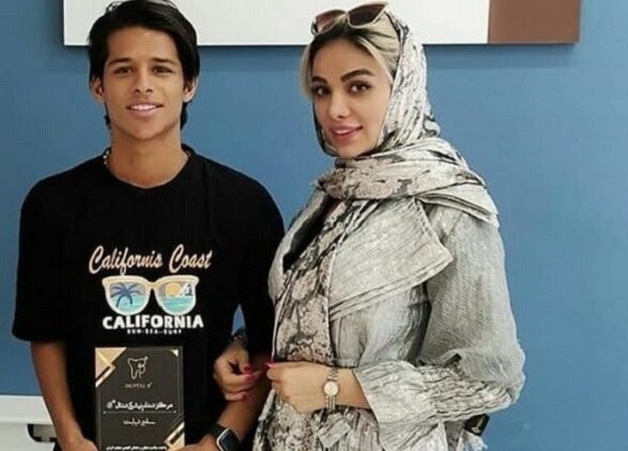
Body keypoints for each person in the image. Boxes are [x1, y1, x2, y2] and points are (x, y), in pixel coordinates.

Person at [213, 2, 525, 450]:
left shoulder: (447, 206)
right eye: (321, 90)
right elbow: (317, 321)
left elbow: (489, 378)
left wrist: (337, 387)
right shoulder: (336, 193)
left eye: (358, 86)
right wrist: (249, 346)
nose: (335, 109)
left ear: (403, 87)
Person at [12, 1, 283, 450]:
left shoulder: (243, 205)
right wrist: (70, 436)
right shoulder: (52, 204)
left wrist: (219, 440)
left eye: (161, 69)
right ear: (97, 86)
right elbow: (45, 332)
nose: (142, 84)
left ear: (189, 84)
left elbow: (271, 339)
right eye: (123, 70)